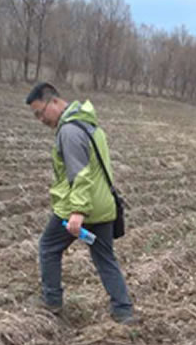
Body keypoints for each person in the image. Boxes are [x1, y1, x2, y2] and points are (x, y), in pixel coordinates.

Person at [26, 82, 135, 323]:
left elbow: (81, 174)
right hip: (104, 208)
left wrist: (77, 212)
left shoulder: (69, 131)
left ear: (54, 102)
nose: (39, 119)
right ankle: (123, 310)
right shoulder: (89, 124)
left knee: (48, 247)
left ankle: (51, 302)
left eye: (40, 112)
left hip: (81, 209)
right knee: (105, 259)